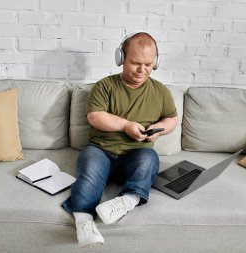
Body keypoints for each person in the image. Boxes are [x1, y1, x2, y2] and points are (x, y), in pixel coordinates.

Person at [62, 31, 178, 248]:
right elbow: (95, 117)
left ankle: (126, 201)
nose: (142, 70)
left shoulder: (161, 91)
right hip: (101, 149)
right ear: (121, 59)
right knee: (89, 172)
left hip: (136, 153)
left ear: (156, 62)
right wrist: (125, 125)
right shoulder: (105, 86)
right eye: (135, 63)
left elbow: (172, 118)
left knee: (149, 158)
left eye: (148, 64)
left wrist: (158, 129)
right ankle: (84, 222)